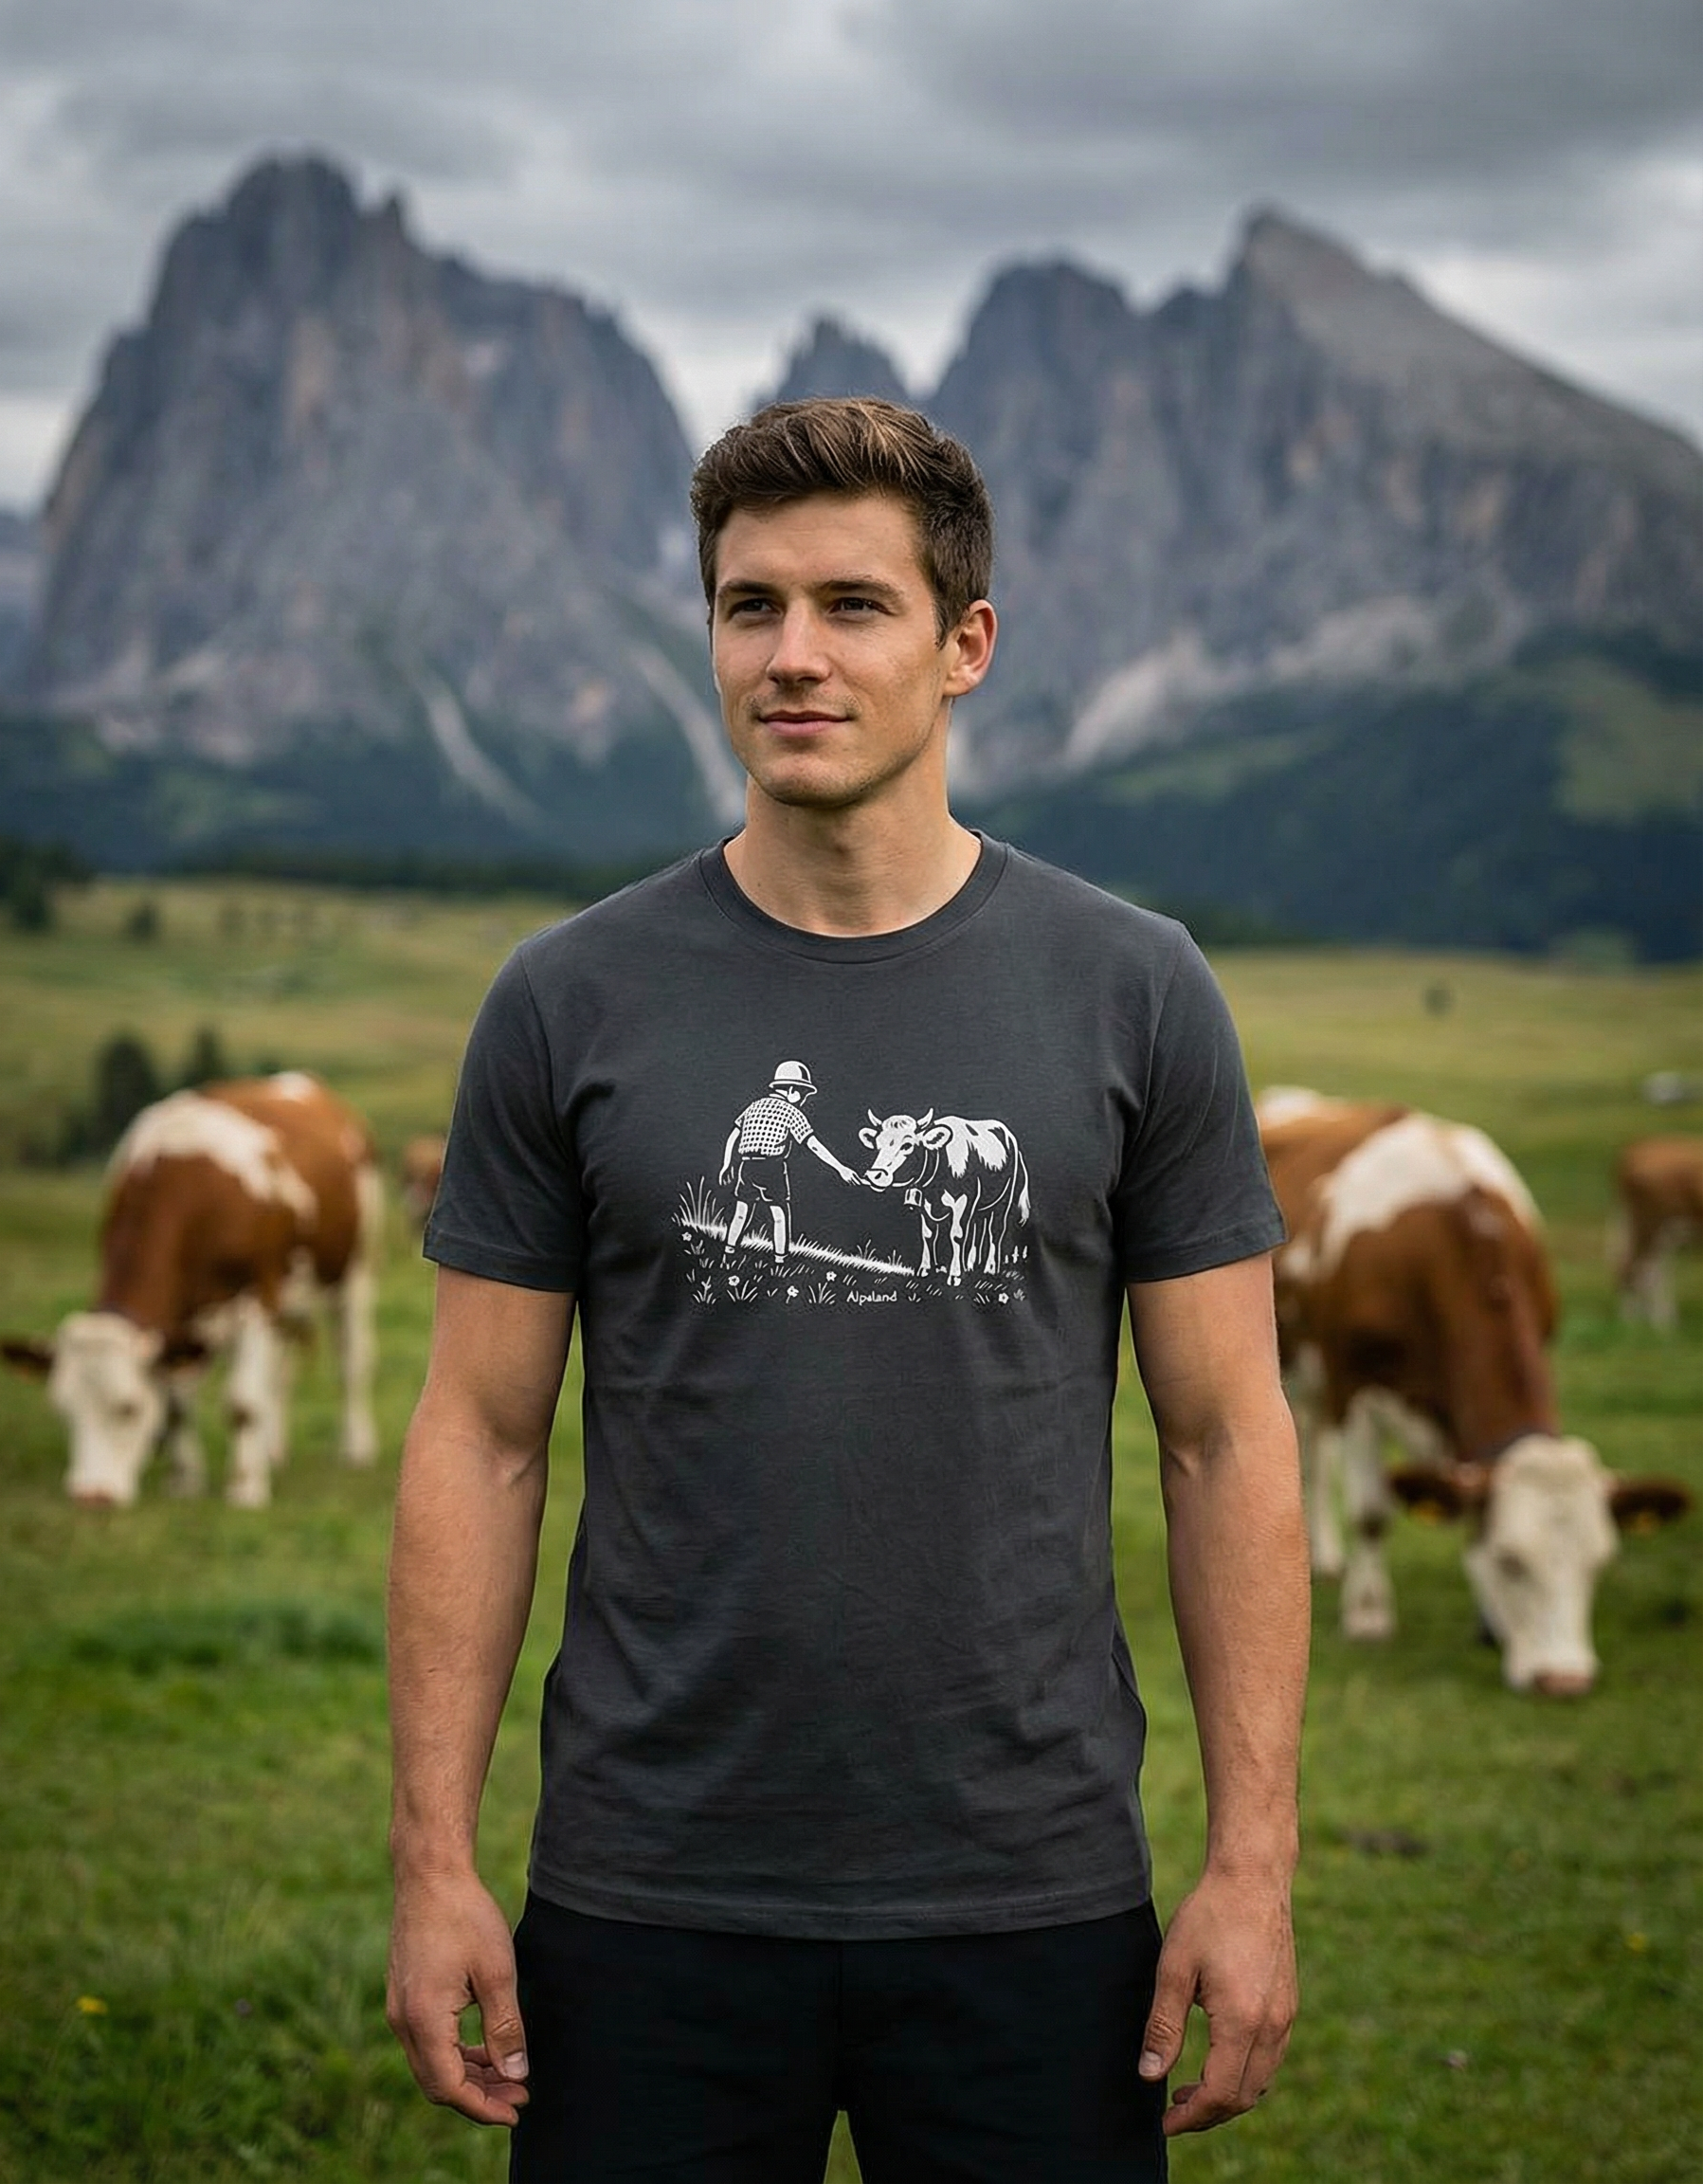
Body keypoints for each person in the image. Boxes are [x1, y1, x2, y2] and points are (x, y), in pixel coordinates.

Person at [387, 396, 1309, 2183]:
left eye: (853, 605)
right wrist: (433, 1863)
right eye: (750, 606)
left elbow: (1225, 1439)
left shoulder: (1136, 990)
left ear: (966, 644)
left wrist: (1252, 1864)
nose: (791, 655)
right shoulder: (566, 998)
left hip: (1032, 1894)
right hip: (647, 1888)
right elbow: (481, 1436)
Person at [719, 1058, 862, 1266]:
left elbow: (733, 1135)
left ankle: (728, 1253)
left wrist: (727, 1164)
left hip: (746, 1166)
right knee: (779, 1215)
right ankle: (780, 1261)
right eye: (803, 1094)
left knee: (741, 1213)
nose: (803, 1100)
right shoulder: (792, 1112)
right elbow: (812, 1144)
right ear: (792, 1090)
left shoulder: (753, 1106)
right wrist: (840, 1168)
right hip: (772, 1168)